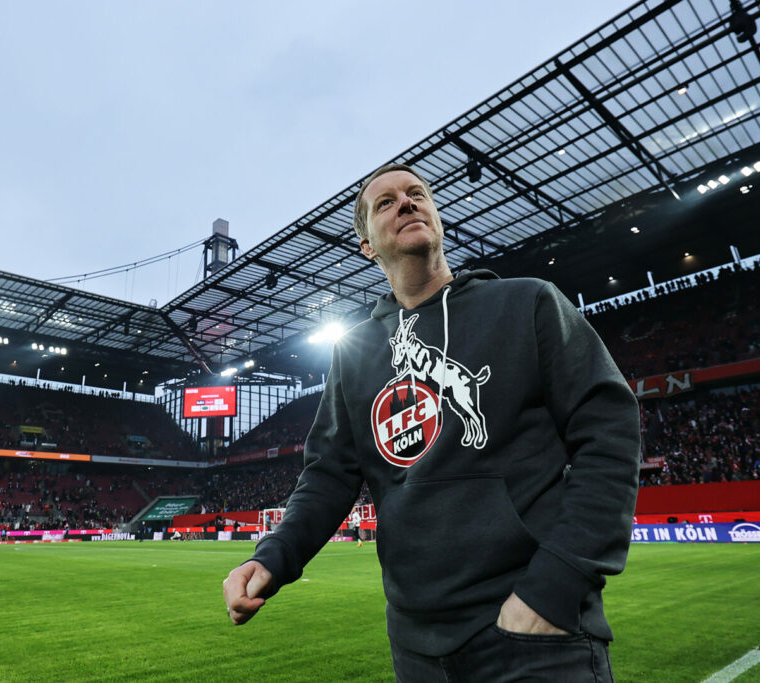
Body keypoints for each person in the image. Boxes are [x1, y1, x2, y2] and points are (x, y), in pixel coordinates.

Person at [223, 163, 641, 681]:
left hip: (533, 634)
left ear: (437, 219)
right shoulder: (355, 353)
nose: (406, 202)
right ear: (367, 247)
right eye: (385, 202)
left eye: (417, 193)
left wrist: (554, 587)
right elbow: (328, 476)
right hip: (415, 642)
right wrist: (273, 557)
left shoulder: (527, 302)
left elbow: (611, 431)